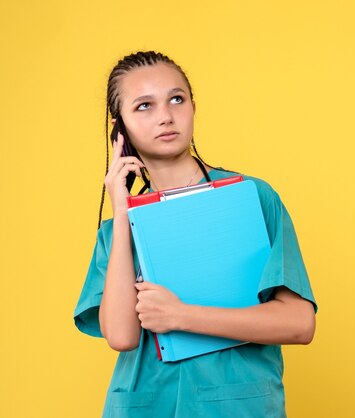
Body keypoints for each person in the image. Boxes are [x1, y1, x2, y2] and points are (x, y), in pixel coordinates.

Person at [74, 51, 317, 417]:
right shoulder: (115, 230)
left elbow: (299, 323)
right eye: (144, 106)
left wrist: (181, 316)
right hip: (145, 406)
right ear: (119, 127)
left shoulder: (249, 197)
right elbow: (122, 337)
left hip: (236, 407)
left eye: (176, 99)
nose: (165, 116)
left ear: (192, 107)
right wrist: (122, 212)